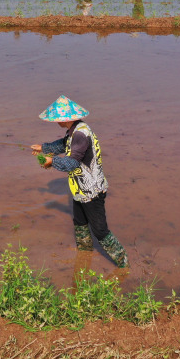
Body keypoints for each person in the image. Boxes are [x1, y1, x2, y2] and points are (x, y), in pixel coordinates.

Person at [30, 96, 128, 268]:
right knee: (80, 223)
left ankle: (123, 264)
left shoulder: (81, 135)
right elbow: (63, 144)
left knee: (100, 231)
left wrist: (52, 162)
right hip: (80, 190)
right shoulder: (74, 131)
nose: (57, 122)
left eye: (58, 119)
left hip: (92, 192)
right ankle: (84, 255)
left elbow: (72, 163)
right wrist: (44, 148)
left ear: (66, 118)